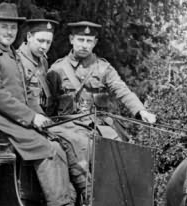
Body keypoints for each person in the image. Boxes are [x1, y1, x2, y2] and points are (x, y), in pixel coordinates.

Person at [0, 2, 79, 206]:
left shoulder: (12, 54)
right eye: (4, 27)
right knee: (42, 146)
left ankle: (68, 201)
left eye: (12, 28)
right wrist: (30, 118)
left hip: (12, 116)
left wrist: (41, 118)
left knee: (58, 143)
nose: (9, 32)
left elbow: (27, 93)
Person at [47, 20, 157, 167]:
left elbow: (122, 90)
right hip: (69, 124)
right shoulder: (57, 69)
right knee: (79, 155)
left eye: (89, 41)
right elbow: (49, 103)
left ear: (95, 43)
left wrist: (141, 111)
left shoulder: (104, 68)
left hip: (99, 125)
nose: (84, 45)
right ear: (71, 39)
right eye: (80, 40)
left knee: (121, 154)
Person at [17, 19, 58, 116]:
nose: (44, 46)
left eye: (48, 42)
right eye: (40, 41)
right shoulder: (16, 60)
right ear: (29, 37)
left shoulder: (43, 61)